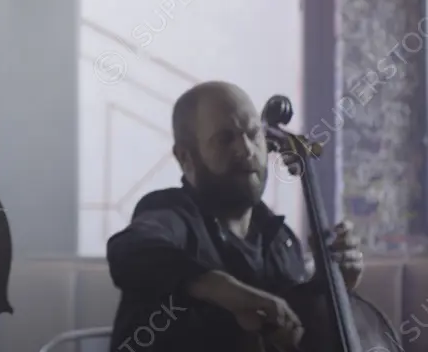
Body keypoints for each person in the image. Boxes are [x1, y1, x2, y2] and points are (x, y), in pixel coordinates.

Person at [106, 81, 364, 352]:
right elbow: (129, 251)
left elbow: (298, 334)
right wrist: (224, 289)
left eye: (254, 134)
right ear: (186, 157)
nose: (247, 150)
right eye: (224, 138)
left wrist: (334, 289)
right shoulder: (171, 214)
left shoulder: (280, 240)